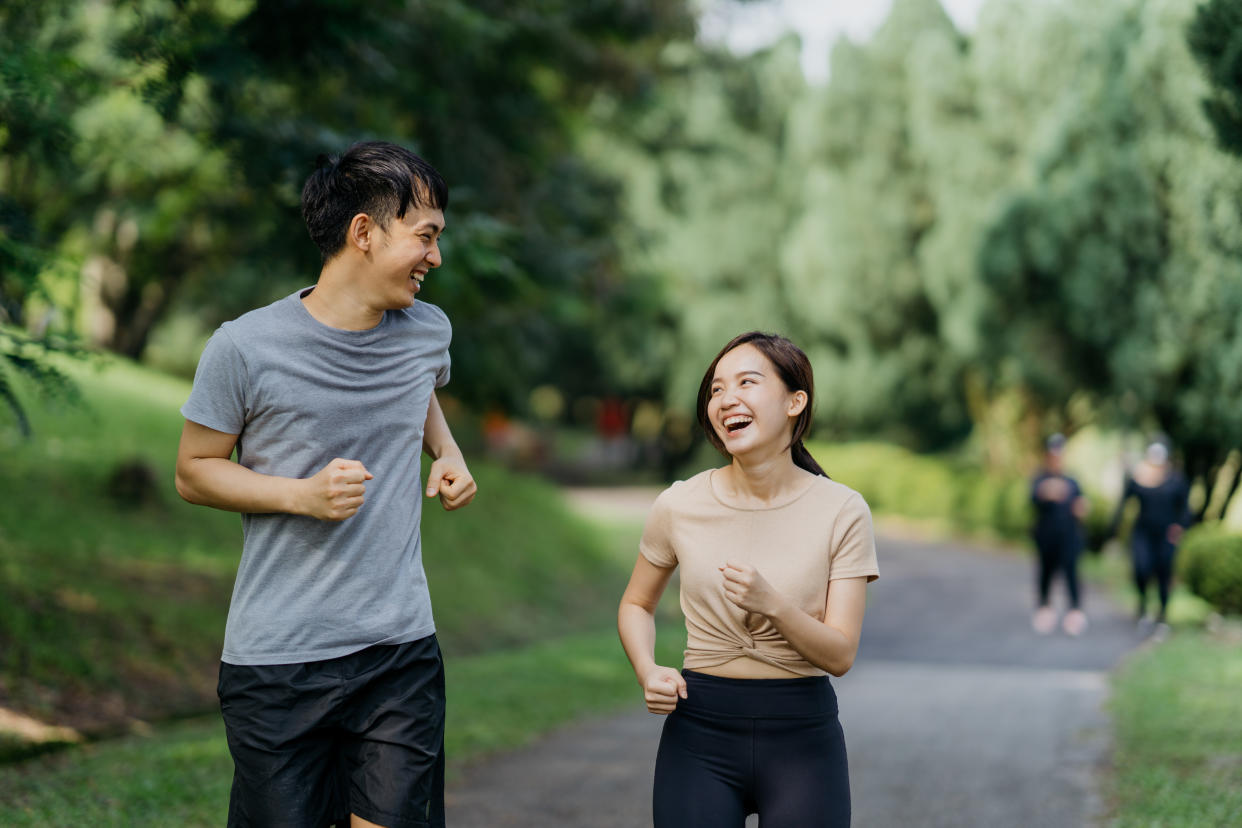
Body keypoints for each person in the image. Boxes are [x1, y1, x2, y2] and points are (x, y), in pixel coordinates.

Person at [175, 141, 476, 828]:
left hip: (399, 650)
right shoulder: (244, 347)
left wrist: (448, 452)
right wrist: (300, 495)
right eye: (425, 237)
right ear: (363, 233)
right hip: (279, 661)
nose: (436, 257)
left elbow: (420, 388)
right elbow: (193, 471)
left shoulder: (427, 331)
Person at [617, 331, 879, 828]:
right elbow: (636, 604)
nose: (726, 399)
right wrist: (648, 670)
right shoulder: (679, 504)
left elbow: (841, 654)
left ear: (794, 402)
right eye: (716, 389)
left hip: (803, 737)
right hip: (699, 733)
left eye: (746, 382)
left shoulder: (842, 510)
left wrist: (772, 604)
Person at [1107, 440, 1191, 632]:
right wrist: (1112, 533)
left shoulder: (1175, 481)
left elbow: (1185, 508)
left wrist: (1180, 526)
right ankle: (1143, 606)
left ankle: (1162, 614)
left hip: (1166, 534)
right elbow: (1123, 504)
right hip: (1143, 532)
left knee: (1163, 572)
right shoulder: (1139, 479)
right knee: (1142, 568)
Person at [1029, 433, 1089, 636]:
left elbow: (1081, 504)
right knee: (1046, 573)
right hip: (1046, 536)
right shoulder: (1040, 478)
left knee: (1071, 573)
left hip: (1069, 536)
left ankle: (1074, 611)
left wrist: (1081, 508)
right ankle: (1044, 608)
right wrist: (1049, 491)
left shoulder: (1072, 481)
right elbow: (1034, 498)